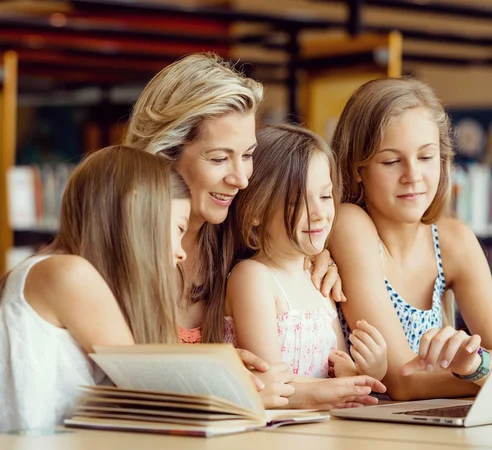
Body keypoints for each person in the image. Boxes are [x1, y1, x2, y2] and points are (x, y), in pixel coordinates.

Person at [124, 53, 382, 409]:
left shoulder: (229, 230)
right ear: (164, 154)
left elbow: (286, 239)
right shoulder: (125, 251)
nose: (242, 179)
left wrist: (320, 254)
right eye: (218, 159)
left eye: (247, 155)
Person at [328, 77, 492, 401]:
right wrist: (480, 372)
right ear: (358, 168)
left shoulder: (453, 239)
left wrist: (481, 367)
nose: (412, 175)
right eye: (391, 161)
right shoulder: (350, 225)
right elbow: (402, 380)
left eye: (426, 157)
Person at [0, 146, 191, 431]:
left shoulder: (57, 271)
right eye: (179, 229)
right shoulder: (68, 273)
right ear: (137, 209)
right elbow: (153, 390)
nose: (181, 253)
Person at [225, 124, 387, 383]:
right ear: (255, 211)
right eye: (298, 201)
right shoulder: (253, 278)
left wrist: (368, 371)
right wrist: (344, 385)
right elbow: (271, 379)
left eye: (325, 196)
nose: (319, 213)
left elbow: (338, 367)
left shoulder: (317, 280)